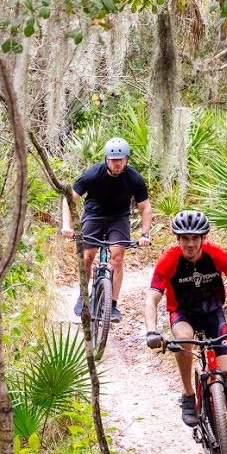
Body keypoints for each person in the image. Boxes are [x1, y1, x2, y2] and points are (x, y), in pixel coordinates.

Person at [143, 210, 227, 454]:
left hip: (214, 314)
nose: (189, 244)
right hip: (183, 314)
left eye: (195, 238)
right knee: (184, 339)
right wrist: (152, 331)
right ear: (177, 239)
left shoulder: (217, 255)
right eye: (184, 238)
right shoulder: (169, 260)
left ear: (204, 238)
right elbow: (153, 297)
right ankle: (189, 395)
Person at [61, 137, 152, 323]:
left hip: (119, 218)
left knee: (117, 257)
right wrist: (66, 226)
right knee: (87, 255)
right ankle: (83, 297)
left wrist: (145, 235)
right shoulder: (93, 173)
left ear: (126, 160)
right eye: (113, 160)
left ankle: (112, 305)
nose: (116, 164)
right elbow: (69, 198)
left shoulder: (133, 177)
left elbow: (146, 207)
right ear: (106, 159)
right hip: (94, 216)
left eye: (120, 160)